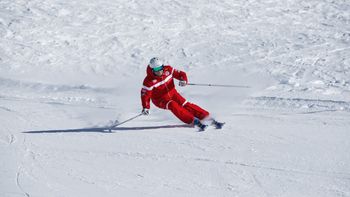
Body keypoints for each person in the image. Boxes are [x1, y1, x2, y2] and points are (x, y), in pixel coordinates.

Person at [140, 57, 224, 131]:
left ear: (163, 66)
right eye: (156, 70)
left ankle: (206, 117)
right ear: (152, 70)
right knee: (172, 104)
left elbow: (181, 74)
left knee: (185, 104)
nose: (159, 71)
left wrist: (183, 80)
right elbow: (145, 95)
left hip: (173, 93)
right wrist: (146, 107)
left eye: (160, 68)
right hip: (160, 100)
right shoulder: (148, 81)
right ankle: (193, 121)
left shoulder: (168, 70)